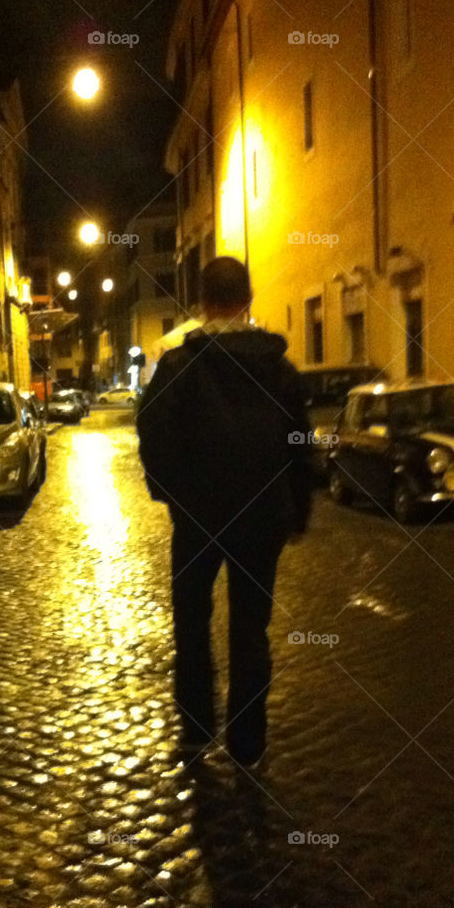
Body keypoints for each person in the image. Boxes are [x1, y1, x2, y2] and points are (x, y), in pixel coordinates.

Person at [136, 256, 312, 766]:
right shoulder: (280, 371)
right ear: (248, 301)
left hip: (198, 519)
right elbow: (301, 446)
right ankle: (248, 742)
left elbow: (152, 435)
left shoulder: (179, 367)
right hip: (262, 521)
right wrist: (296, 509)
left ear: (203, 303)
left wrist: (171, 494)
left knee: (191, 621)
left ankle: (195, 728)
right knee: (250, 629)